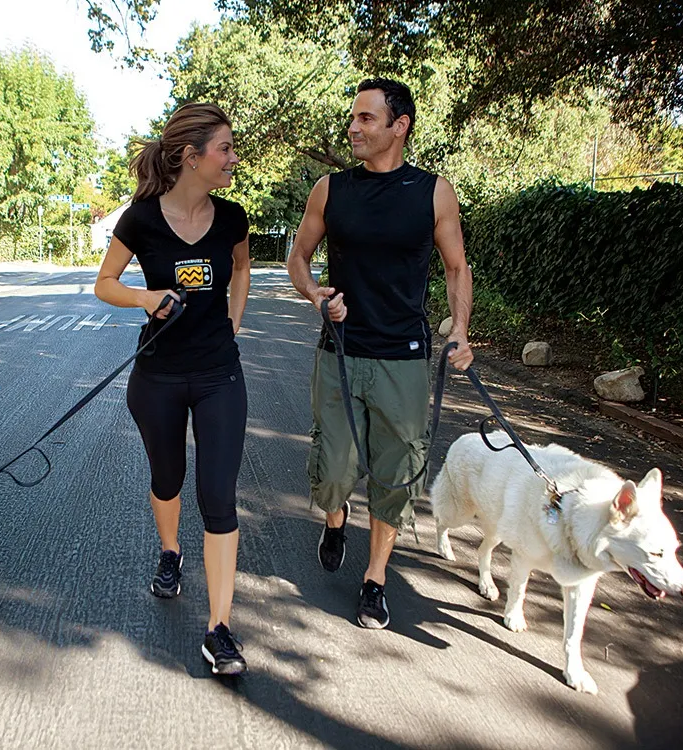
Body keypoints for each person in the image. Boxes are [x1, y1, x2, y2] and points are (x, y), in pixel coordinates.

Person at [286, 78, 474, 630]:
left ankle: (374, 581)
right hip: (340, 350)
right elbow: (299, 255)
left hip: (404, 358)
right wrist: (315, 293)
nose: (353, 128)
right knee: (335, 469)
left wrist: (459, 328)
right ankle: (337, 518)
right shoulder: (331, 189)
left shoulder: (433, 192)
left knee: (396, 473)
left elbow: (457, 267)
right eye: (353, 117)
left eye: (367, 119)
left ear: (399, 126)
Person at [94, 103, 251, 675]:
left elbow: (242, 270)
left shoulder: (234, 217)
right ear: (192, 156)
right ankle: (169, 552)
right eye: (226, 148)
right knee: (167, 478)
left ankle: (219, 630)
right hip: (156, 375)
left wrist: (233, 324)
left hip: (219, 376)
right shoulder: (139, 220)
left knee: (219, 498)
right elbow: (104, 283)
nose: (234, 158)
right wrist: (144, 298)